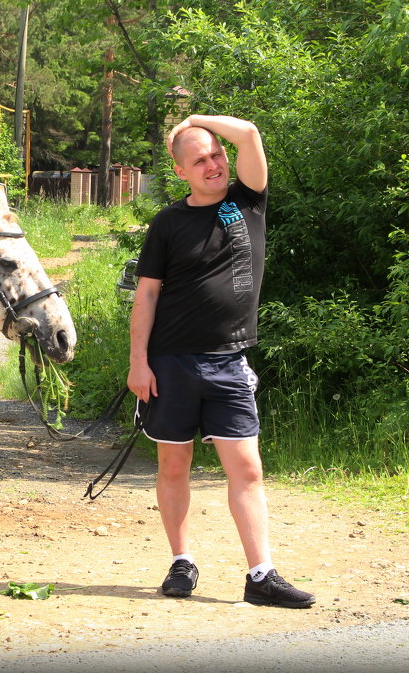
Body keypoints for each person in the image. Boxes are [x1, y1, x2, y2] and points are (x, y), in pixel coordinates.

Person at [126, 114, 315, 608]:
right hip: (170, 364)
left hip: (229, 362)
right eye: (200, 160)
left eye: (215, 155)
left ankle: (261, 575)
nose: (213, 164)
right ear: (180, 172)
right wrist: (138, 362)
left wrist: (194, 120)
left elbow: (250, 132)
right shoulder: (167, 223)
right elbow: (146, 295)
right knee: (174, 464)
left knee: (246, 469)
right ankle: (181, 562)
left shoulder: (245, 201)